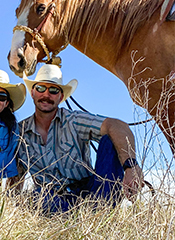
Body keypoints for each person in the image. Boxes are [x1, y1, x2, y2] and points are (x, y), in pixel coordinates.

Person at [17, 64, 144, 212]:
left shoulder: (74, 120)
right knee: (36, 200)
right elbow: (15, 176)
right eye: (40, 89)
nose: (46, 95)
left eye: (53, 90)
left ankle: (103, 209)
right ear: (33, 93)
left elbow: (117, 125)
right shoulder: (19, 132)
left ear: (61, 97)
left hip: (90, 191)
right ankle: (83, 216)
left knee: (110, 140)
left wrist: (131, 166)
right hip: (51, 199)